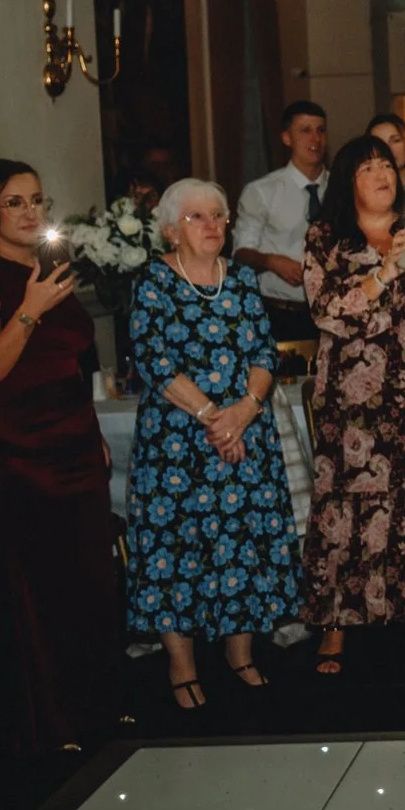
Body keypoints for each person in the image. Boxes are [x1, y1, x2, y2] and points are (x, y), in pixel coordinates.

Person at [0, 159, 123, 756]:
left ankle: (94, 704)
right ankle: (47, 723)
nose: (31, 212)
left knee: (87, 579)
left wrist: (92, 429)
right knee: (33, 586)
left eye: (37, 201)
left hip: (70, 438)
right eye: (15, 203)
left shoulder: (55, 267)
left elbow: (74, 361)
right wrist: (30, 309)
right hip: (13, 451)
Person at [125, 180, 298, 709]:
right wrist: (213, 418)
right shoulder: (153, 280)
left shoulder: (242, 278)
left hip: (245, 433)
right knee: (176, 550)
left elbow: (265, 352)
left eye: (219, 215)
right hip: (178, 443)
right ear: (171, 229)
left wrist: (244, 411)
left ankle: (240, 654)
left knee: (245, 544)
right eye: (197, 217)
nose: (212, 225)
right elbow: (154, 360)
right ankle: (181, 664)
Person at [301, 135, 405, 675]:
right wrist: (382, 273)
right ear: (349, 181)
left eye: (385, 165)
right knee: (348, 509)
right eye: (367, 168)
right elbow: (327, 311)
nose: (381, 175)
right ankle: (336, 624)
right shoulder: (327, 239)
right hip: (353, 401)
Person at [234, 100, 329, 342]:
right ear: (287, 138)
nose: (315, 140)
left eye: (320, 130)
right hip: (282, 313)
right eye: (305, 131)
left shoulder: (341, 188)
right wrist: (271, 261)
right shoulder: (262, 192)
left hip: (333, 310)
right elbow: (241, 253)